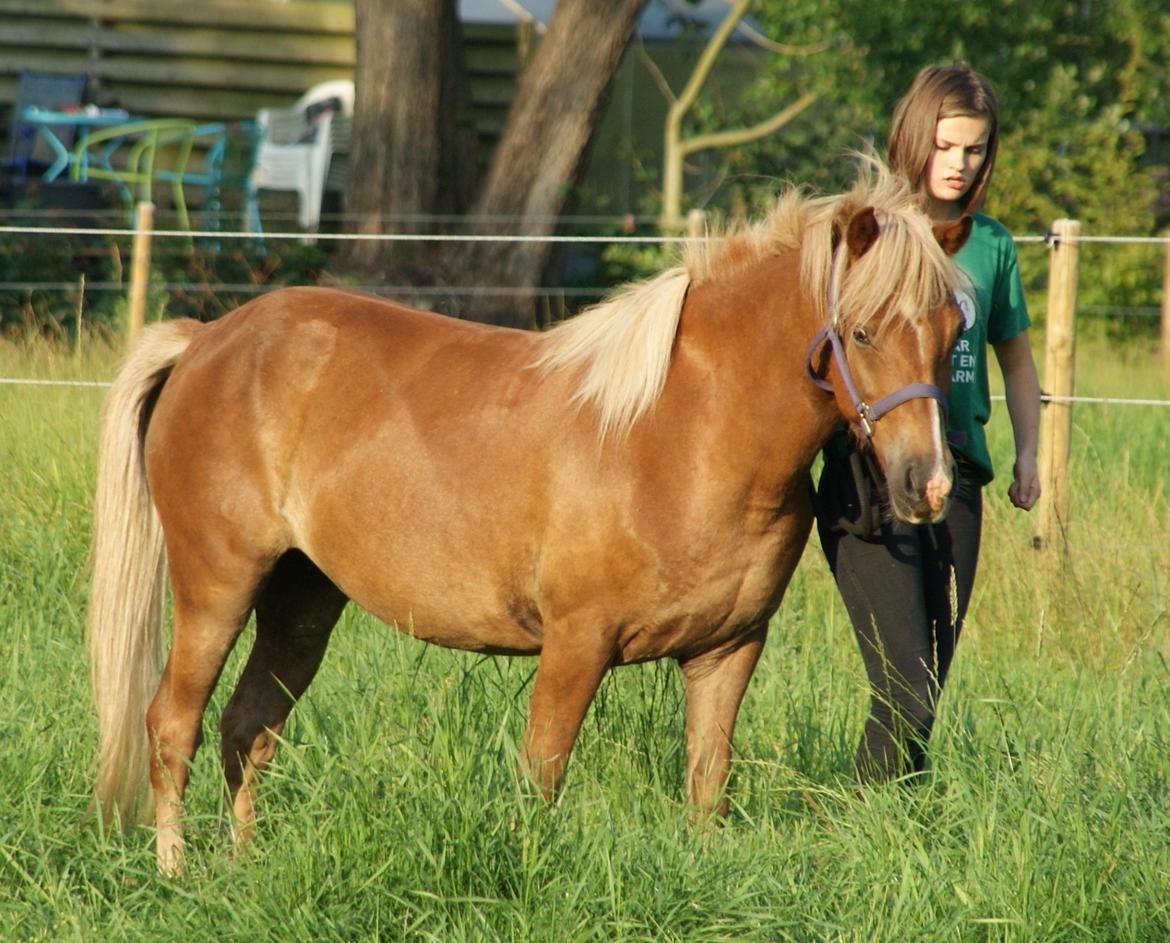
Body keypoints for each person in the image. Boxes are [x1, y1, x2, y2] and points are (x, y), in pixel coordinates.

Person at [814, 62, 1042, 782]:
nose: (959, 163)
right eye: (946, 146)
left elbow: (1017, 360)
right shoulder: (868, 235)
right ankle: (863, 830)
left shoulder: (990, 245)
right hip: (874, 476)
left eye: (973, 149)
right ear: (917, 139)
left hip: (959, 473)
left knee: (926, 690)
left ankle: (893, 824)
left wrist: (1029, 453)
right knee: (905, 685)